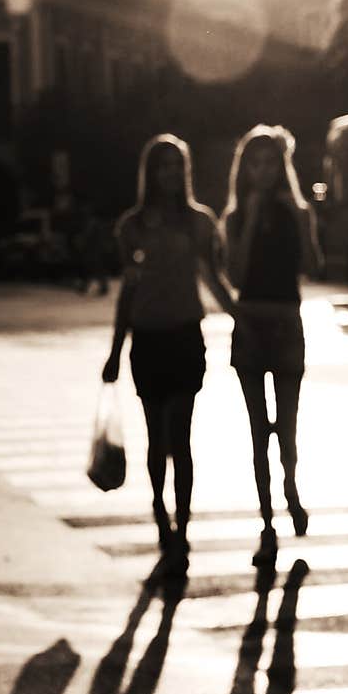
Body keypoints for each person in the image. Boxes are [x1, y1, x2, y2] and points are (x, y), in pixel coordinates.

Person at [102, 134, 241, 577]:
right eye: (161, 166)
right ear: (150, 173)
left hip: (184, 336)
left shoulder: (199, 222)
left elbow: (213, 277)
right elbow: (129, 289)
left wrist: (242, 314)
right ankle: (159, 511)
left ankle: (182, 527)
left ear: (185, 172)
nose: (169, 174)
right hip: (147, 338)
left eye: (176, 166)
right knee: (155, 439)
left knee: (179, 438)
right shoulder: (132, 226)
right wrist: (114, 349)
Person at [222, 125, 323, 566]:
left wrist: (300, 221)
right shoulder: (234, 217)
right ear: (245, 170)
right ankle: (266, 520)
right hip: (250, 323)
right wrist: (254, 211)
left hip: (286, 322)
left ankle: (291, 489)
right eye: (254, 163)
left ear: (281, 168)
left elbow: (314, 266)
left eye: (269, 162)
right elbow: (238, 277)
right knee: (257, 428)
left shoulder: (296, 211)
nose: (262, 171)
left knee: (288, 423)